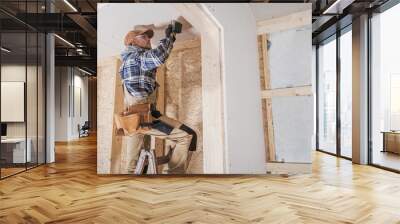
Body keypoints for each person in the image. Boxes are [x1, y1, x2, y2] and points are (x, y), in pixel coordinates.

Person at [119, 24, 196, 174]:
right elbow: (158, 56)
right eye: (143, 37)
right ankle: (173, 176)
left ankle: (170, 168)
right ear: (132, 42)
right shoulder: (134, 59)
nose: (148, 39)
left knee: (140, 159)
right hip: (141, 120)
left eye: (148, 37)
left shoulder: (139, 61)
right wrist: (170, 36)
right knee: (184, 137)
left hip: (149, 116)